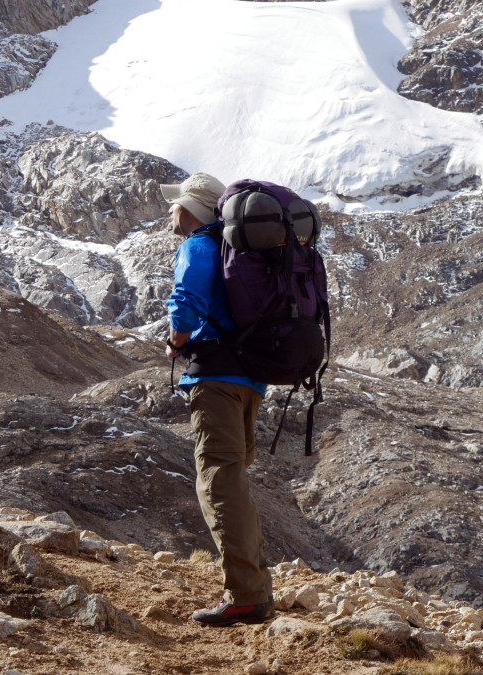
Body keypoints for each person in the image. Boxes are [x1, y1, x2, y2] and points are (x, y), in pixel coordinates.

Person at [160, 172, 274, 626]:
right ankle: (255, 588)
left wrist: (176, 340)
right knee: (234, 483)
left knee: (219, 484)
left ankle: (246, 596)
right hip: (250, 380)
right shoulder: (238, 252)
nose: (169, 211)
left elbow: (186, 301)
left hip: (217, 378)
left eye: (175, 204)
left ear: (191, 208)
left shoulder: (199, 247)